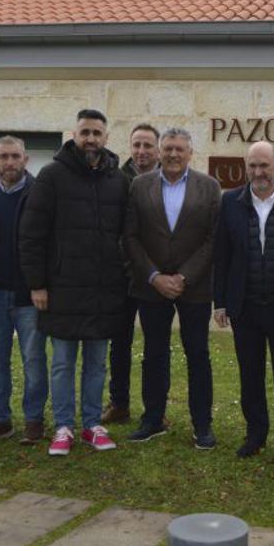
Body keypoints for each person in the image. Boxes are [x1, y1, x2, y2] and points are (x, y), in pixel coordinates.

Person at [19, 109, 128, 456]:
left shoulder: (117, 180)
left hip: (103, 290)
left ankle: (92, 424)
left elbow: (127, 235)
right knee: (63, 363)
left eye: (97, 133)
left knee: (96, 363)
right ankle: (63, 426)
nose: (90, 139)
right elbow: (31, 235)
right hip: (61, 289)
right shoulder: (52, 176)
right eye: (85, 133)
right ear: (74, 135)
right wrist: (37, 284)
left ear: (106, 137)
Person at [123, 127, 222, 449]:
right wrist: (154, 276)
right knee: (154, 354)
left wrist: (183, 277)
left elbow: (213, 238)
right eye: (168, 149)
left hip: (194, 287)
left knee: (198, 354)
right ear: (159, 152)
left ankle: (202, 424)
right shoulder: (140, 185)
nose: (173, 154)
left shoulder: (209, 187)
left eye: (180, 149)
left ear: (191, 153)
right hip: (151, 285)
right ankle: (153, 419)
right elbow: (131, 236)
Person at [213, 141, 274, 462]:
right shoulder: (230, 201)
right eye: (252, 165)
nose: (258, 172)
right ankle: (255, 435)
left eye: (264, 165)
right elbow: (222, 254)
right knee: (250, 375)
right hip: (246, 306)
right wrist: (220, 302)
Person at [0, 136, 48, 445]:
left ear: (25, 160)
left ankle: (34, 419)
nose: (10, 162)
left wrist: (41, 284)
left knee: (34, 360)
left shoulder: (40, 194)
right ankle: (0, 419)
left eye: (16, 156)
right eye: (3, 157)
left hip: (29, 295)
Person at [103, 123, 161, 425]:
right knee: (119, 343)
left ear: (158, 150)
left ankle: (155, 409)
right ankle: (119, 403)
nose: (141, 151)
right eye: (137, 145)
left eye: (148, 145)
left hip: (154, 276)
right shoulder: (116, 180)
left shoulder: (168, 180)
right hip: (120, 275)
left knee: (155, 347)